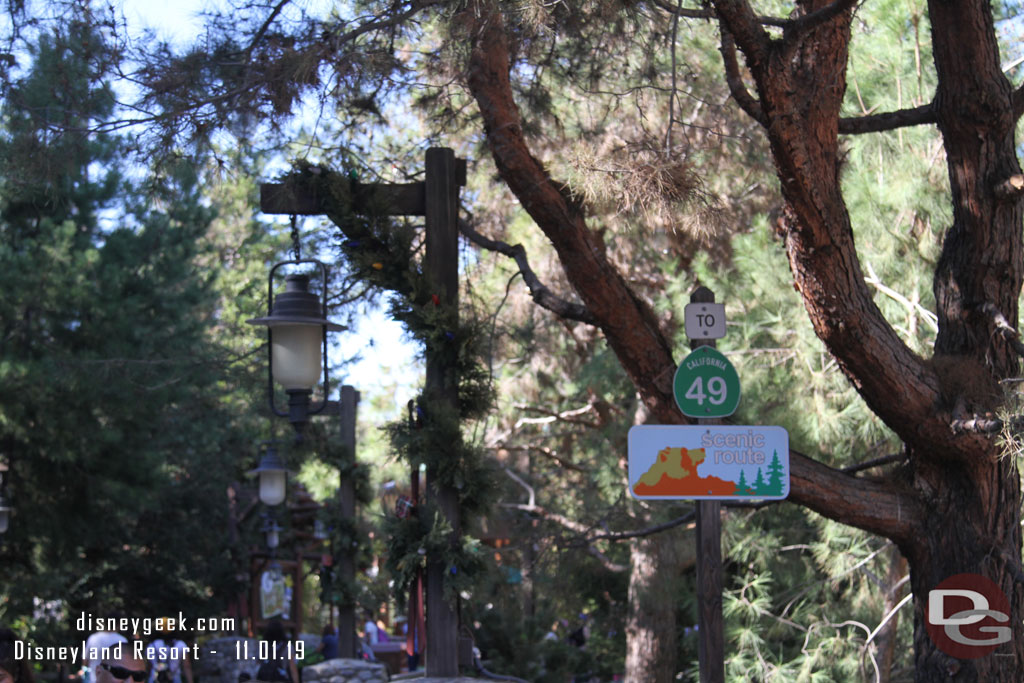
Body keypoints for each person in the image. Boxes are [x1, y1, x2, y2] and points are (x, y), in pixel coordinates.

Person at [82, 614, 127, 683]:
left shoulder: (93, 638)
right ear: (119, 624)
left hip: (93, 680)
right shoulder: (122, 640)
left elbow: (85, 661)